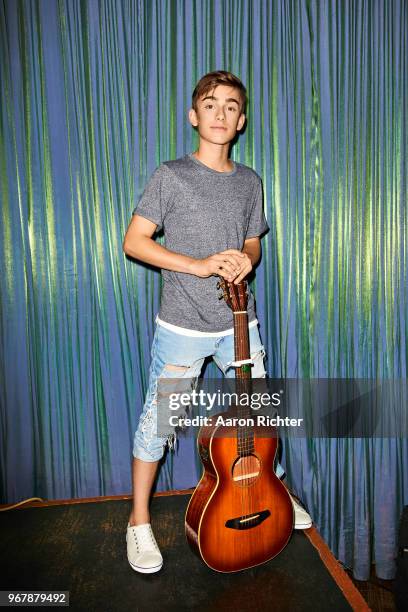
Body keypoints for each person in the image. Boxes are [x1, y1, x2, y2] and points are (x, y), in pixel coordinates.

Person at [122, 71, 312, 574]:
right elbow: (134, 242)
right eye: (211, 105)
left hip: (237, 322)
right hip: (183, 324)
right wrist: (199, 263)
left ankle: (275, 490)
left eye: (231, 106)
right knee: (158, 422)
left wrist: (249, 258)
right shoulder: (171, 175)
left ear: (242, 120)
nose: (221, 113)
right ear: (194, 116)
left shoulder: (251, 181)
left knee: (261, 413)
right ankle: (138, 521)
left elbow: (253, 240)